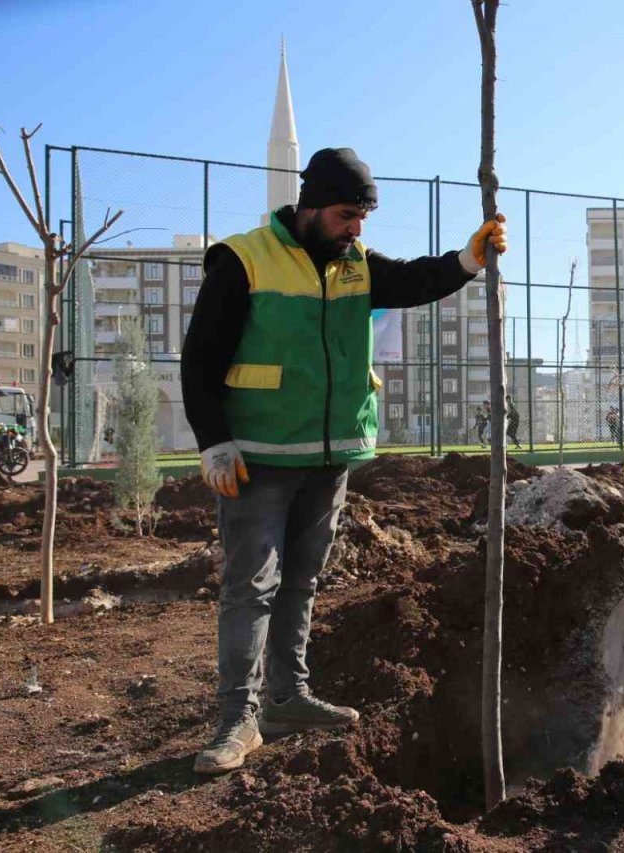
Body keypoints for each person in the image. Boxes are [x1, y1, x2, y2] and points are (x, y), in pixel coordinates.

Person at [180, 147, 508, 774]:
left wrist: (470, 257)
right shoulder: (243, 259)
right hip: (257, 458)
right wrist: (213, 440)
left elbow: (414, 281)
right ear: (308, 208)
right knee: (250, 589)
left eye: (362, 217)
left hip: (328, 456)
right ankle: (235, 719)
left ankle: (287, 699)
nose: (356, 229)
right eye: (345, 215)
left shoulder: (353, 262)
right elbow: (201, 357)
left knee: (301, 583)